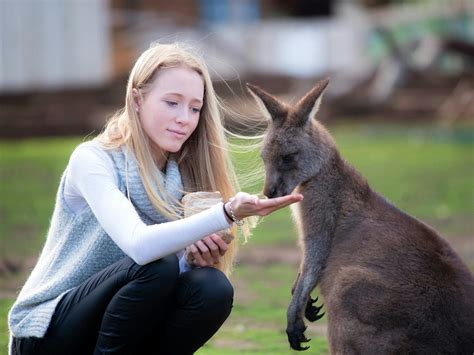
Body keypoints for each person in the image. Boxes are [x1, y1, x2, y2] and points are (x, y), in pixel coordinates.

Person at [8, 42, 303, 355]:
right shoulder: (93, 160)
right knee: (156, 264)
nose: (184, 118)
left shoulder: (183, 180)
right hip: (45, 334)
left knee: (211, 289)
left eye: (194, 108)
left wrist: (190, 262)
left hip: (111, 331)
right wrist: (227, 212)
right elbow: (140, 245)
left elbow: (150, 287)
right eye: (172, 103)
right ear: (137, 99)